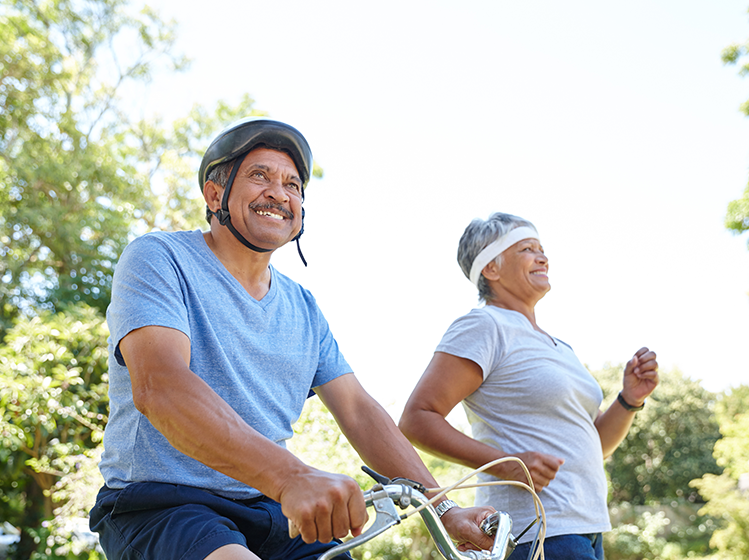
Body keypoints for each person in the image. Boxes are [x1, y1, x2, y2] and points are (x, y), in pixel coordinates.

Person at [89, 117, 496, 560]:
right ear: (213, 195)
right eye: (260, 175)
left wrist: (444, 507)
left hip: (270, 510)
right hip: (165, 505)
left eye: (294, 184)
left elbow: (358, 411)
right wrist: (291, 478)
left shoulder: (303, 307)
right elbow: (161, 387)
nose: (280, 193)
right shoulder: (160, 257)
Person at [399, 212, 659, 560]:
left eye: (541, 248)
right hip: (535, 534)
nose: (542, 257)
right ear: (491, 268)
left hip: (586, 529)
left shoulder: (559, 347)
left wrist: (629, 399)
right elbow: (417, 418)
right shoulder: (484, 325)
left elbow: (594, 444)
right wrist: (504, 463)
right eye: (526, 249)